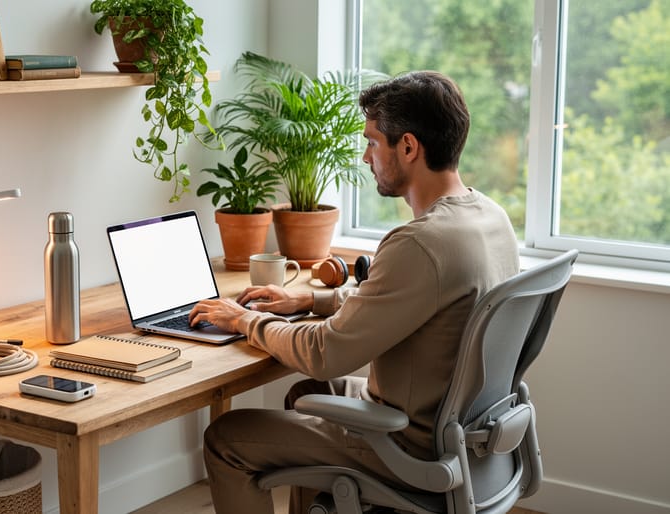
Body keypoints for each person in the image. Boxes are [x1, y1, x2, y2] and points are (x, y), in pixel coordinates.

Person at [188, 70, 520, 514]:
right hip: (459, 428)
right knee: (307, 392)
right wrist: (309, 299)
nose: (366, 157)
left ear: (407, 146)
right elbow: (410, 301)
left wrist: (246, 320)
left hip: (409, 443)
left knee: (226, 438)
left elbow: (326, 352)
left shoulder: (420, 243)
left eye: (372, 142)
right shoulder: (488, 217)